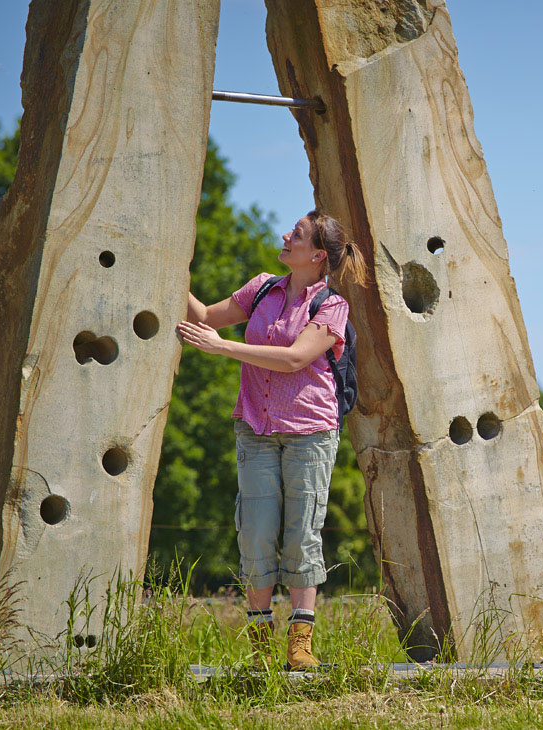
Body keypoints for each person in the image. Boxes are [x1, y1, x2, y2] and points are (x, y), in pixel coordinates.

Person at [178, 210, 368, 669]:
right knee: (256, 533)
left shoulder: (332, 306)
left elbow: (294, 359)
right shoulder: (262, 288)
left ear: (318, 255)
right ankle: (261, 649)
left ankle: (300, 646)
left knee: (301, 536)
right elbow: (204, 316)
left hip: (310, 433)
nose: (286, 235)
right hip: (256, 429)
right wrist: (169, 270)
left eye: (297, 234)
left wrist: (223, 347)